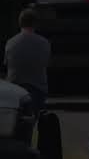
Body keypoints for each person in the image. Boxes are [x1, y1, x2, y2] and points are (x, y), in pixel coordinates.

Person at [3, 8, 51, 146]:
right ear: (35, 23)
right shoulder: (44, 43)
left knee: (14, 126)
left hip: (15, 89)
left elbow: (7, 64)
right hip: (37, 89)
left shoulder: (11, 43)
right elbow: (46, 63)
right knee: (30, 126)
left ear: (20, 23)